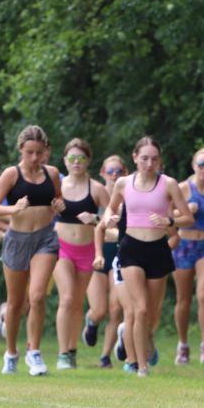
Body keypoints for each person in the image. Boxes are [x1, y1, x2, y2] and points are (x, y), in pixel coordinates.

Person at [99, 136, 192, 377]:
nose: (149, 163)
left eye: (154, 159)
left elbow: (187, 218)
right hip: (131, 249)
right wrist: (109, 216)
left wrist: (168, 220)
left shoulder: (169, 184)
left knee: (152, 314)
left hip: (158, 249)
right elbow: (111, 206)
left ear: (159, 160)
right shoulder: (123, 183)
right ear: (135, 158)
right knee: (139, 309)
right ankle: (140, 366)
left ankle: (141, 338)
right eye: (144, 159)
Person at [0, 125, 65, 376]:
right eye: (30, 152)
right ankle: (11, 353)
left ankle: (34, 352)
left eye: (39, 153)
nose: (34, 158)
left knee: (38, 295)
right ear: (21, 149)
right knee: (15, 303)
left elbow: (58, 202)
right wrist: (13, 209)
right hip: (17, 239)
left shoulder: (51, 173)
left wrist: (59, 205)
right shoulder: (11, 174)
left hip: (45, 239)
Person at [53, 138, 110, 370]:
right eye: (72, 158)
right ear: (65, 161)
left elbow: (114, 219)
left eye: (81, 158)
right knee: (66, 298)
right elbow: (39, 213)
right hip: (60, 247)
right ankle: (62, 353)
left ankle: (72, 349)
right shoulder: (56, 186)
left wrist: (96, 219)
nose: (76, 162)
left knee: (76, 302)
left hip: (87, 251)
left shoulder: (96, 189)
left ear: (88, 161)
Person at [172, 147, 204, 364]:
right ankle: (183, 344)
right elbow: (168, 216)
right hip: (184, 245)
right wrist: (183, 211)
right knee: (183, 299)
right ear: (194, 165)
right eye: (202, 164)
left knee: (203, 294)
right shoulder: (183, 188)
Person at [84, 155, 127, 368]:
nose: (114, 175)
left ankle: (105, 356)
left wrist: (96, 222)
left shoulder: (128, 196)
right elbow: (82, 222)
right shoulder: (94, 193)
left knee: (116, 307)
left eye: (118, 171)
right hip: (97, 253)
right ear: (102, 173)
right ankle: (91, 322)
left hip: (120, 253)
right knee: (100, 309)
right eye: (110, 171)